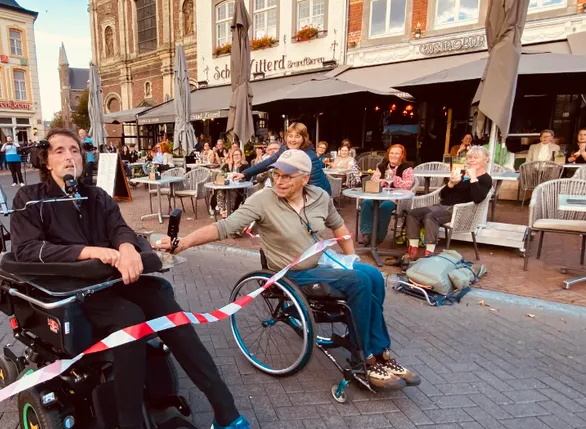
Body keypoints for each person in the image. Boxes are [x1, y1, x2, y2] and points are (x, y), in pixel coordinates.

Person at [11, 128, 275, 429]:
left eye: (75, 150)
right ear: (47, 160)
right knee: (131, 322)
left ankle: (227, 419)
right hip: (75, 291)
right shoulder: (31, 199)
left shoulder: (96, 196)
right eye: (59, 151)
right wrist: (92, 252)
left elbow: (119, 227)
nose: (70, 156)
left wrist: (126, 246)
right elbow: (26, 250)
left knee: (169, 309)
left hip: (116, 278)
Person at [154, 149, 420, 393]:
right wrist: (184, 242)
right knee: (360, 282)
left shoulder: (320, 197)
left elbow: (338, 227)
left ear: (304, 179)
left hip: (322, 265)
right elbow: (223, 226)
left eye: (287, 177)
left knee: (371, 274)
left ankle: (377, 348)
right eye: (276, 175)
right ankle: (367, 358)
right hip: (290, 275)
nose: (279, 182)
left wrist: (351, 259)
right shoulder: (263, 200)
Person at [406, 146, 492, 259]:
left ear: (485, 159)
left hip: (460, 211)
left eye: (475, 157)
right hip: (443, 206)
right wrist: (451, 184)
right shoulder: (461, 174)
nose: (471, 160)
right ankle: (413, 249)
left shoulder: (485, 179)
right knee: (413, 213)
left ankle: (429, 252)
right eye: (470, 157)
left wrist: (473, 178)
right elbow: (443, 195)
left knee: (431, 216)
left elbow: (478, 198)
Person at [234, 122, 330, 195]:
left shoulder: (309, 156)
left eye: (297, 137)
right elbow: (268, 162)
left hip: (319, 195)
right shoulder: (284, 149)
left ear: (303, 139)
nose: (292, 140)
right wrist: (244, 173)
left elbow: (316, 185)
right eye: (290, 136)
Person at [358, 144, 414, 245]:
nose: (393, 155)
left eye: (397, 153)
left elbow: (407, 186)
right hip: (380, 196)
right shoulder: (382, 166)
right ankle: (367, 233)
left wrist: (394, 177)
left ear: (402, 156)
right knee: (366, 202)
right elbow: (374, 181)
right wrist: (381, 181)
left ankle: (379, 236)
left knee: (385, 207)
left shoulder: (407, 168)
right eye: (391, 153)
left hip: (396, 198)